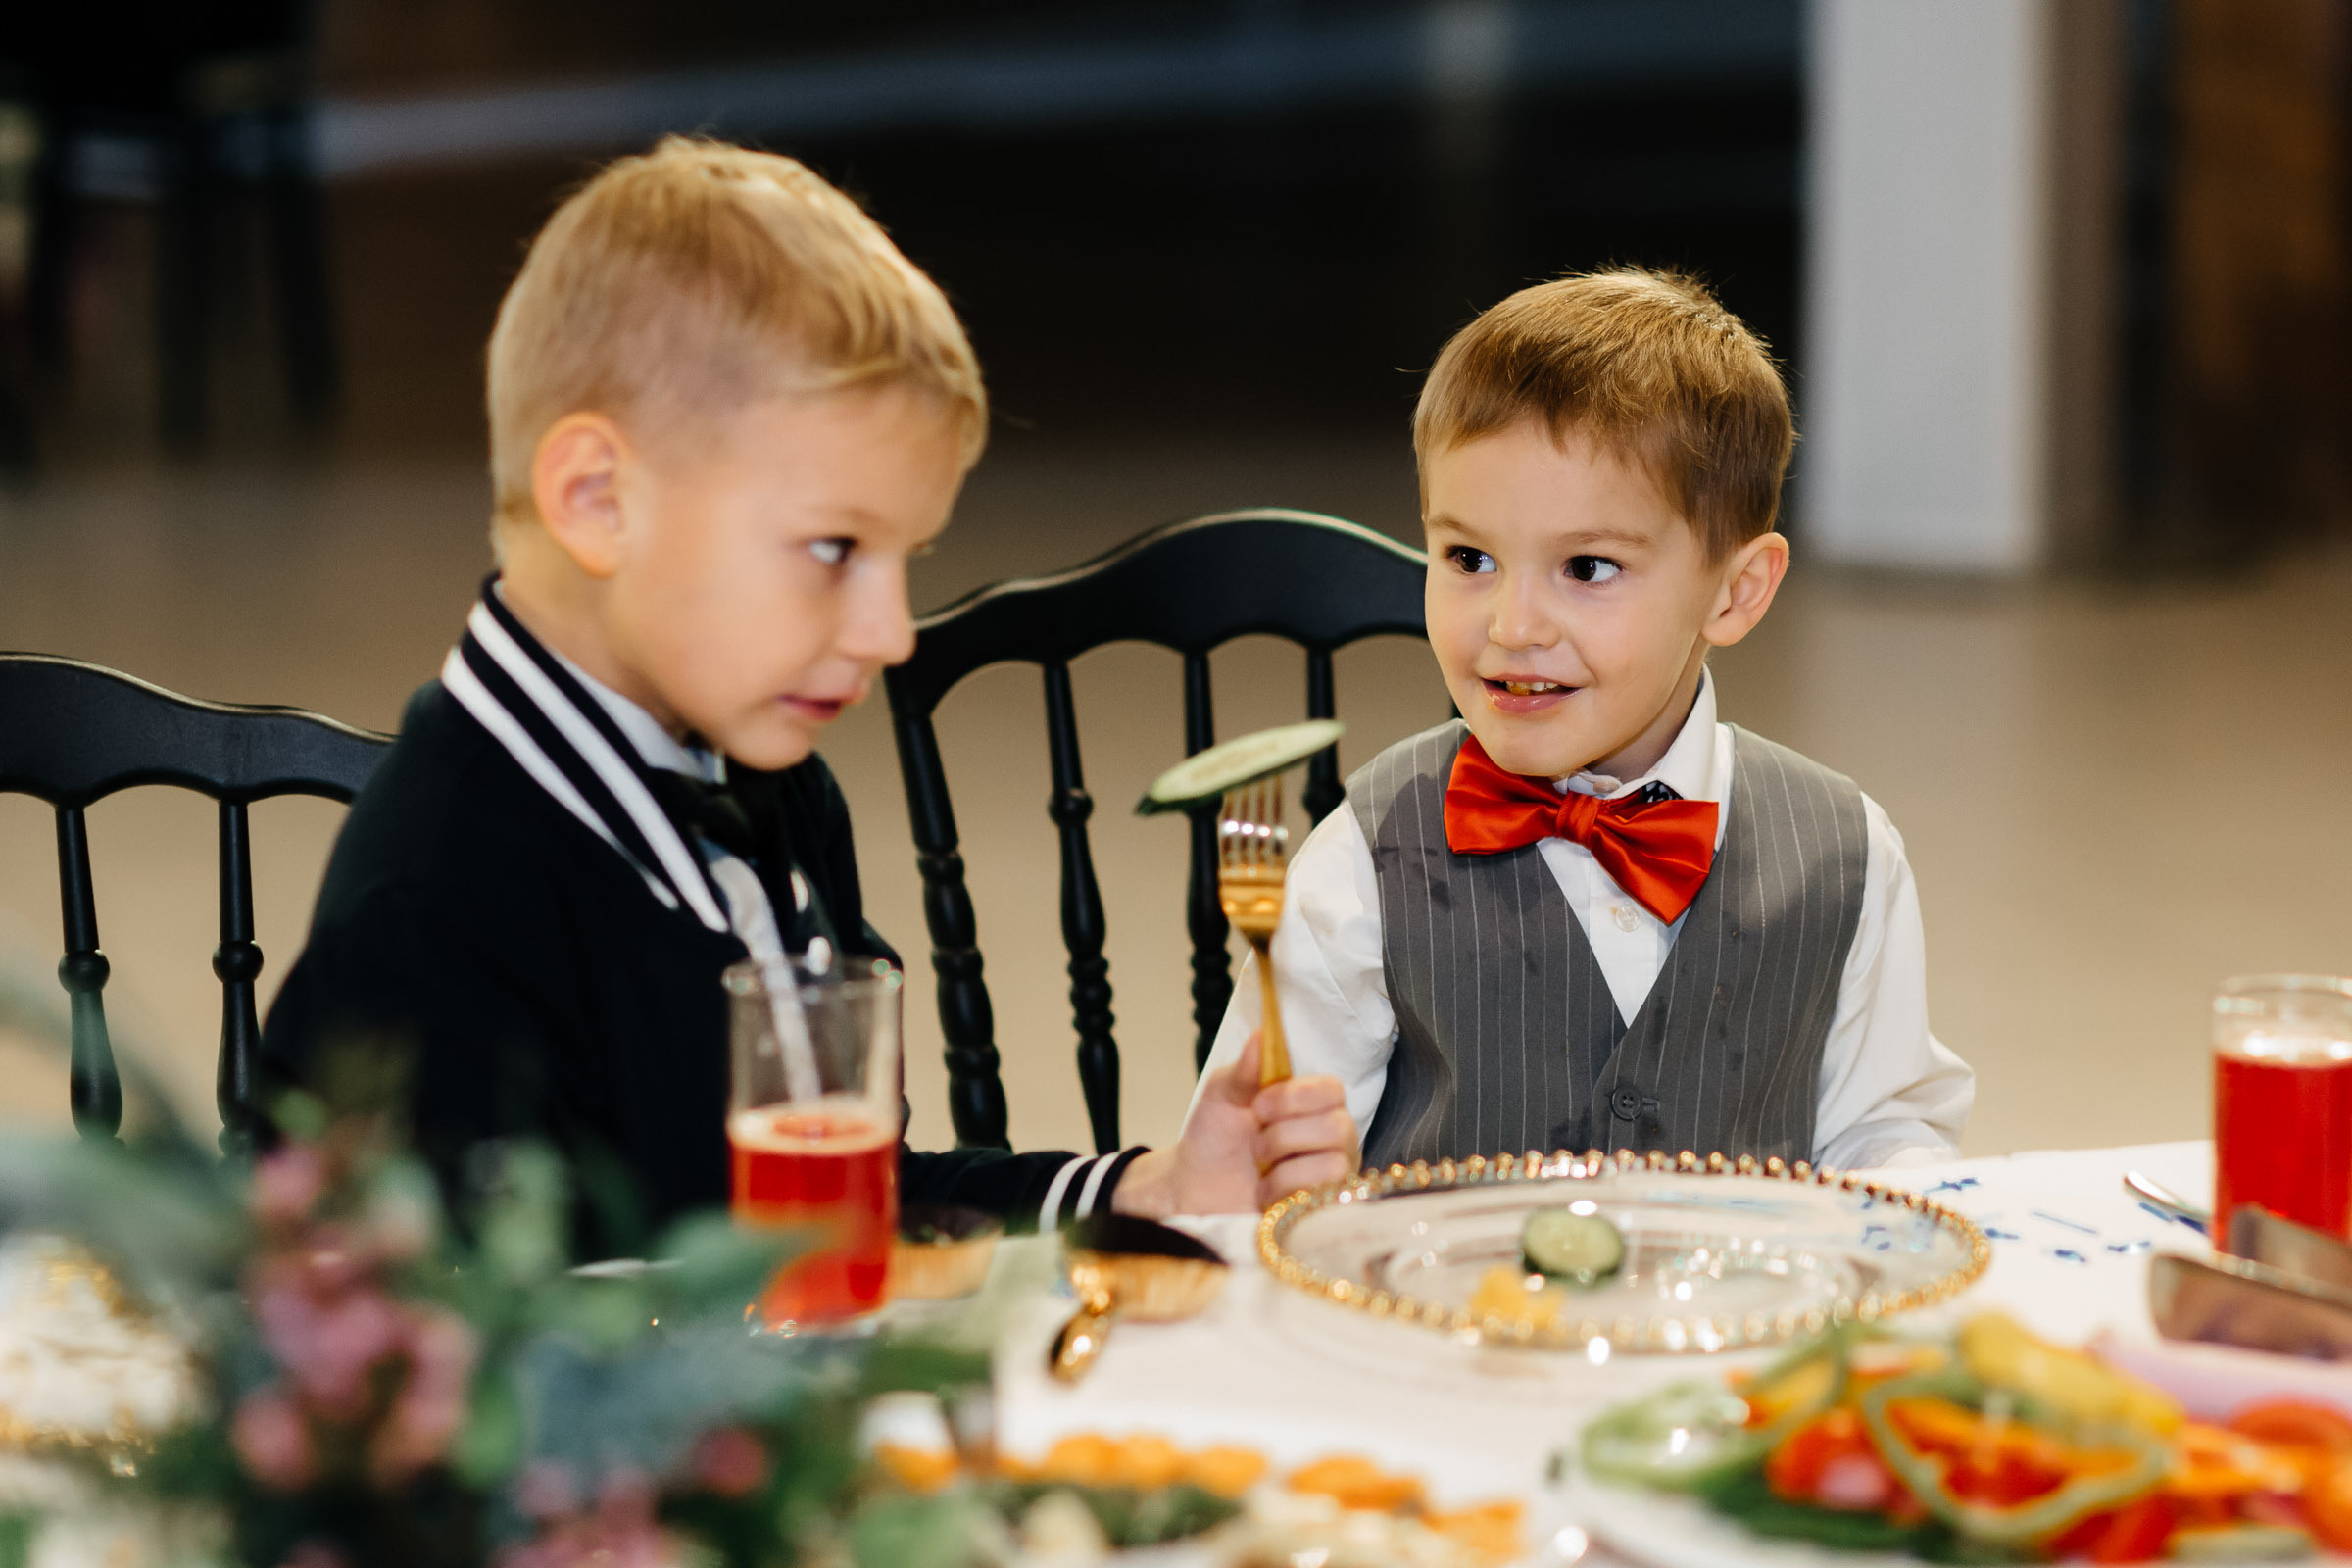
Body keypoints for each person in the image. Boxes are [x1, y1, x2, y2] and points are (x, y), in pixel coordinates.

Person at [259, 138, 1358, 1255]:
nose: (888, 633)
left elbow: (846, 1210)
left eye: (905, 558)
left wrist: (1145, 1190)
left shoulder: (766, 787)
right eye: (834, 549)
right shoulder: (437, 915)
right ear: (597, 499)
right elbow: (480, 1391)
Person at [1190, 269, 1972, 1173]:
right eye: (1468, 556)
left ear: (1736, 591)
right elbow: (1237, 1171)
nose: (1512, 627)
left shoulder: (1846, 854)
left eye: (1588, 568)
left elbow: (1889, 1139)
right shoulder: (1364, 860)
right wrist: (1283, 1182)